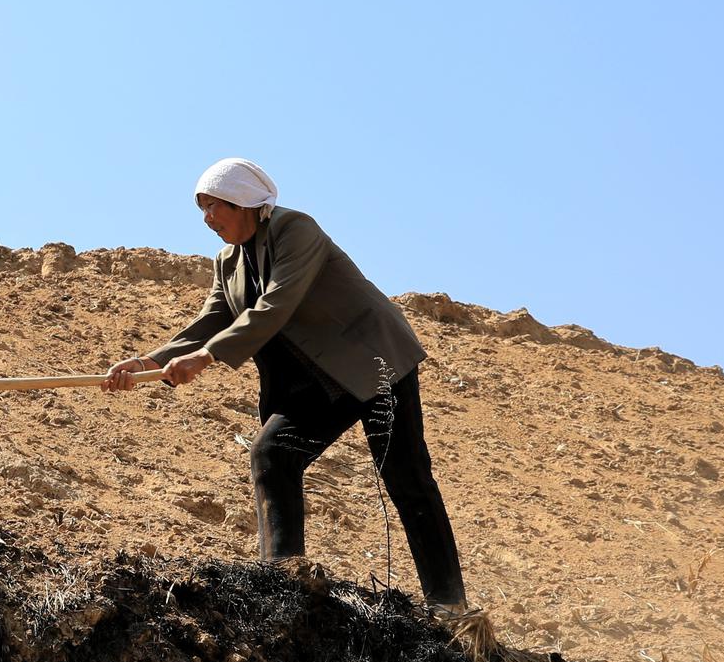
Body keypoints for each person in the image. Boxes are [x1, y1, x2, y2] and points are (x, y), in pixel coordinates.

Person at [102, 158, 469, 611]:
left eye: (214, 206)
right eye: (201, 209)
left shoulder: (296, 229)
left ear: (245, 202)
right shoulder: (227, 262)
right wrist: (147, 362)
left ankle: (449, 604)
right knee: (272, 452)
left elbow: (276, 304)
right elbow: (212, 319)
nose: (207, 219)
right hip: (318, 379)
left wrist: (207, 357)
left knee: (406, 478)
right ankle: (283, 582)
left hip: (373, 361)